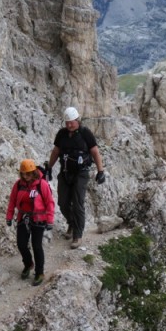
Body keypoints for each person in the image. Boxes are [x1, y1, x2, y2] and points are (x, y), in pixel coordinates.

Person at [46, 106, 105, 249]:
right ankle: (72, 223)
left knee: (78, 203)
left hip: (81, 173)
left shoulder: (86, 134)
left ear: (77, 120)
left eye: (71, 122)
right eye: (66, 122)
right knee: (62, 202)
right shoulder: (62, 134)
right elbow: (56, 151)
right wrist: (49, 167)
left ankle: (77, 235)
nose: (69, 125)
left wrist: (100, 171)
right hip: (65, 172)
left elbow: (95, 152)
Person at [6, 159, 55, 286]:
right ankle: (28, 264)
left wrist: (50, 220)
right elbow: (12, 201)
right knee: (21, 244)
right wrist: (9, 216)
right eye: (23, 174)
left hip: (39, 219)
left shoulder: (42, 185)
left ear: (33, 172)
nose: (25, 176)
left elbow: (49, 202)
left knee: (36, 245)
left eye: (27, 174)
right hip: (23, 217)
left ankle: (40, 272)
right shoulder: (18, 185)